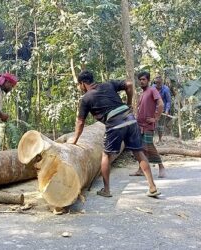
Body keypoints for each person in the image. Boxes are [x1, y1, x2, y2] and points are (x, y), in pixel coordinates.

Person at [68, 70, 160, 198]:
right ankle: (152, 187)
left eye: (79, 85)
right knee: (139, 152)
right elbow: (129, 84)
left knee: (106, 156)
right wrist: (128, 103)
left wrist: (75, 139)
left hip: (115, 123)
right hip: (130, 119)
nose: (79, 88)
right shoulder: (108, 84)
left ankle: (106, 190)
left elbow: (80, 122)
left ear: (83, 83)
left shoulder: (86, 98)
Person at [130, 72, 166, 178]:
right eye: (140, 79)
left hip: (148, 125)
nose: (141, 81)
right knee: (140, 148)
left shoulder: (152, 90)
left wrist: (156, 118)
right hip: (139, 125)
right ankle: (141, 169)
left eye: (144, 79)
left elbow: (161, 104)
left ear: (148, 80)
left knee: (149, 146)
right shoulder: (142, 93)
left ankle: (161, 167)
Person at [152, 76, 171, 143]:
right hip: (153, 109)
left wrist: (166, 110)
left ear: (162, 82)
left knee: (160, 125)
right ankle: (152, 139)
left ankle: (160, 139)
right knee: (153, 124)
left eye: (159, 83)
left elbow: (168, 101)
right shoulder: (152, 88)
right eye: (156, 83)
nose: (158, 84)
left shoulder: (166, 89)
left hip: (162, 110)